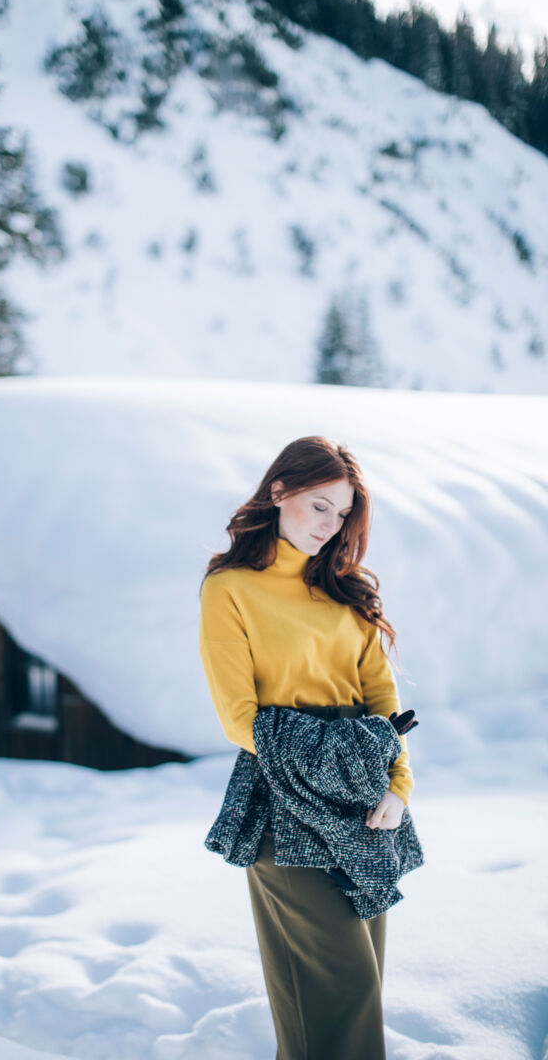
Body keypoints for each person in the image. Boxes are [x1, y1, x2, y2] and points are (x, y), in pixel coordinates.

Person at [198, 435, 415, 1060]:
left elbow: (385, 708)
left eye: (343, 513)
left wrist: (398, 789)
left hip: (366, 805)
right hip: (286, 805)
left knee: (360, 986)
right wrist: (338, 756)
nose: (331, 525)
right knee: (336, 992)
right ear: (279, 491)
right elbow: (240, 719)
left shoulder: (347, 594)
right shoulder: (231, 589)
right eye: (320, 506)